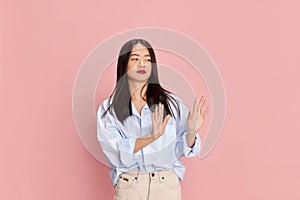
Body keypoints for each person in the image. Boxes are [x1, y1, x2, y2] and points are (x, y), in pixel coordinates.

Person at [96, 38, 209, 200]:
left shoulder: (172, 104)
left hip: (166, 186)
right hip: (131, 186)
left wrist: (191, 133)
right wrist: (151, 137)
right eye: (135, 59)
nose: (142, 64)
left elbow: (185, 149)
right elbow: (115, 152)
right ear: (124, 65)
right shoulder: (109, 109)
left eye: (147, 59)